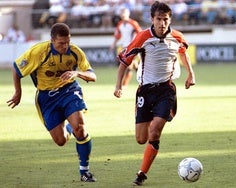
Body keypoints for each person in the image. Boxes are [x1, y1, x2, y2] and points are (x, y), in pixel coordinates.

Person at [114, 1, 195, 186]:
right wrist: (118, 86)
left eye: (165, 19)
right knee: (141, 139)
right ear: (152, 19)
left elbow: (184, 53)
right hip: (145, 91)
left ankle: (142, 173)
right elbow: (124, 63)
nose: (162, 23)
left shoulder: (177, 37)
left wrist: (191, 73)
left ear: (170, 19)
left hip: (166, 90)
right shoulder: (143, 37)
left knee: (155, 130)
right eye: (159, 19)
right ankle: (151, 126)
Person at [7, 23, 97, 183]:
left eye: (67, 42)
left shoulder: (75, 52)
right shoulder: (39, 52)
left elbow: (92, 75)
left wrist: (77, 72)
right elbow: (16, 68)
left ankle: (85, 171)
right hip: (47, 98)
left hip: (69, 91)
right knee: (61, 141)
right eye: (61, 43)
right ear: (52, 41)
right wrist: (18, 93)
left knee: (80, 128)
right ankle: (69, 127)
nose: (65, 46)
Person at [110, 8, 142, 87]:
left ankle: (124, 84)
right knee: (133, 66)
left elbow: (140, 33)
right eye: (121, 13)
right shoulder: (120, 24)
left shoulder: (133, 23)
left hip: (133, 47)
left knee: (128, 66)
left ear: (128, 14)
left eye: (124, 12)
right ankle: (144, 79)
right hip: (124, 47)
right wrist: (113, 44)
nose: (123, 14)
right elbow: (117, 36)